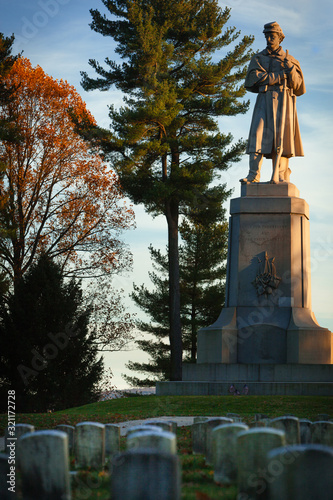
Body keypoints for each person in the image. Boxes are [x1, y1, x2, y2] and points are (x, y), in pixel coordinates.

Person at [240, 22, 306, 184]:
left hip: (284, 102)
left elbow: (299, 87)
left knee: (282, 138)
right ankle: (253, 174)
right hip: (264, 101)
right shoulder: (258, 58)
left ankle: (282, 174)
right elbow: (253, 79)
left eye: (273, 36)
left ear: (280, 38)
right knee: (258, 135)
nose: (269, 39)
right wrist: (279, 76)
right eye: (267, 36)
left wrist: (290, 71)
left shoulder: (290, 60)